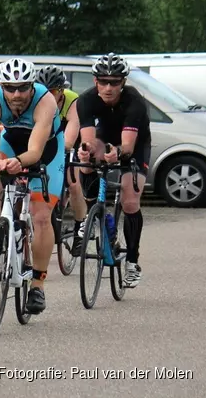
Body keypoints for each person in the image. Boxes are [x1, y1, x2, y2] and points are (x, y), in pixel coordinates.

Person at [0, 58, 65, 315]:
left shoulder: (45, 101)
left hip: (46, 149)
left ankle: (37, 284)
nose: (16, 94)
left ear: (32, 86)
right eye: (10, 88)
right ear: (2, 86)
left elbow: (35, 151)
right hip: (12, 141)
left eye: (23, 88)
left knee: (41, 216)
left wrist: (18, 162)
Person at [76, 53, 150, 288]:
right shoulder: (86, 100)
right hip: (104, 137)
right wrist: (85, 151)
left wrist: (117, 153)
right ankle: (92, 212)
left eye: (114, 82)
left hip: (134, 145)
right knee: (86, 159)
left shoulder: (134, 101)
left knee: (130, 201)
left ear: (123, 82)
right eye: (103, 81)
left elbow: (127, 146)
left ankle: (132, 262)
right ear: (95, 81)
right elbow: (88, 140)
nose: (108, 88)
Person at [35, 65, 88, 250]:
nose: (48, 95)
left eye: (52, 91)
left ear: (61, 90)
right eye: (44, 91)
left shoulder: (72, 100)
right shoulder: (34, 99)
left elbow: (70, 136)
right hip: (45, 137)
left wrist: (62, 149)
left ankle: (80, 226)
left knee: (73, 183)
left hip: (67, 138)